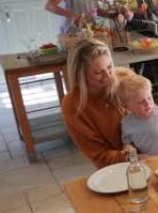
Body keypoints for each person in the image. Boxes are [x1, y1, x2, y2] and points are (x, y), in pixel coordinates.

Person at [62, 39, 146, 168]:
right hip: (116, 168)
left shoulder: (125, 76)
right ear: (81, 75)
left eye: (109, 67)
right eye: (98, 72)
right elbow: (99, 155)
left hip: (151, 150)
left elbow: (151, 111)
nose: (108, 76)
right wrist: (135, 157)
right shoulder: (73, 105)